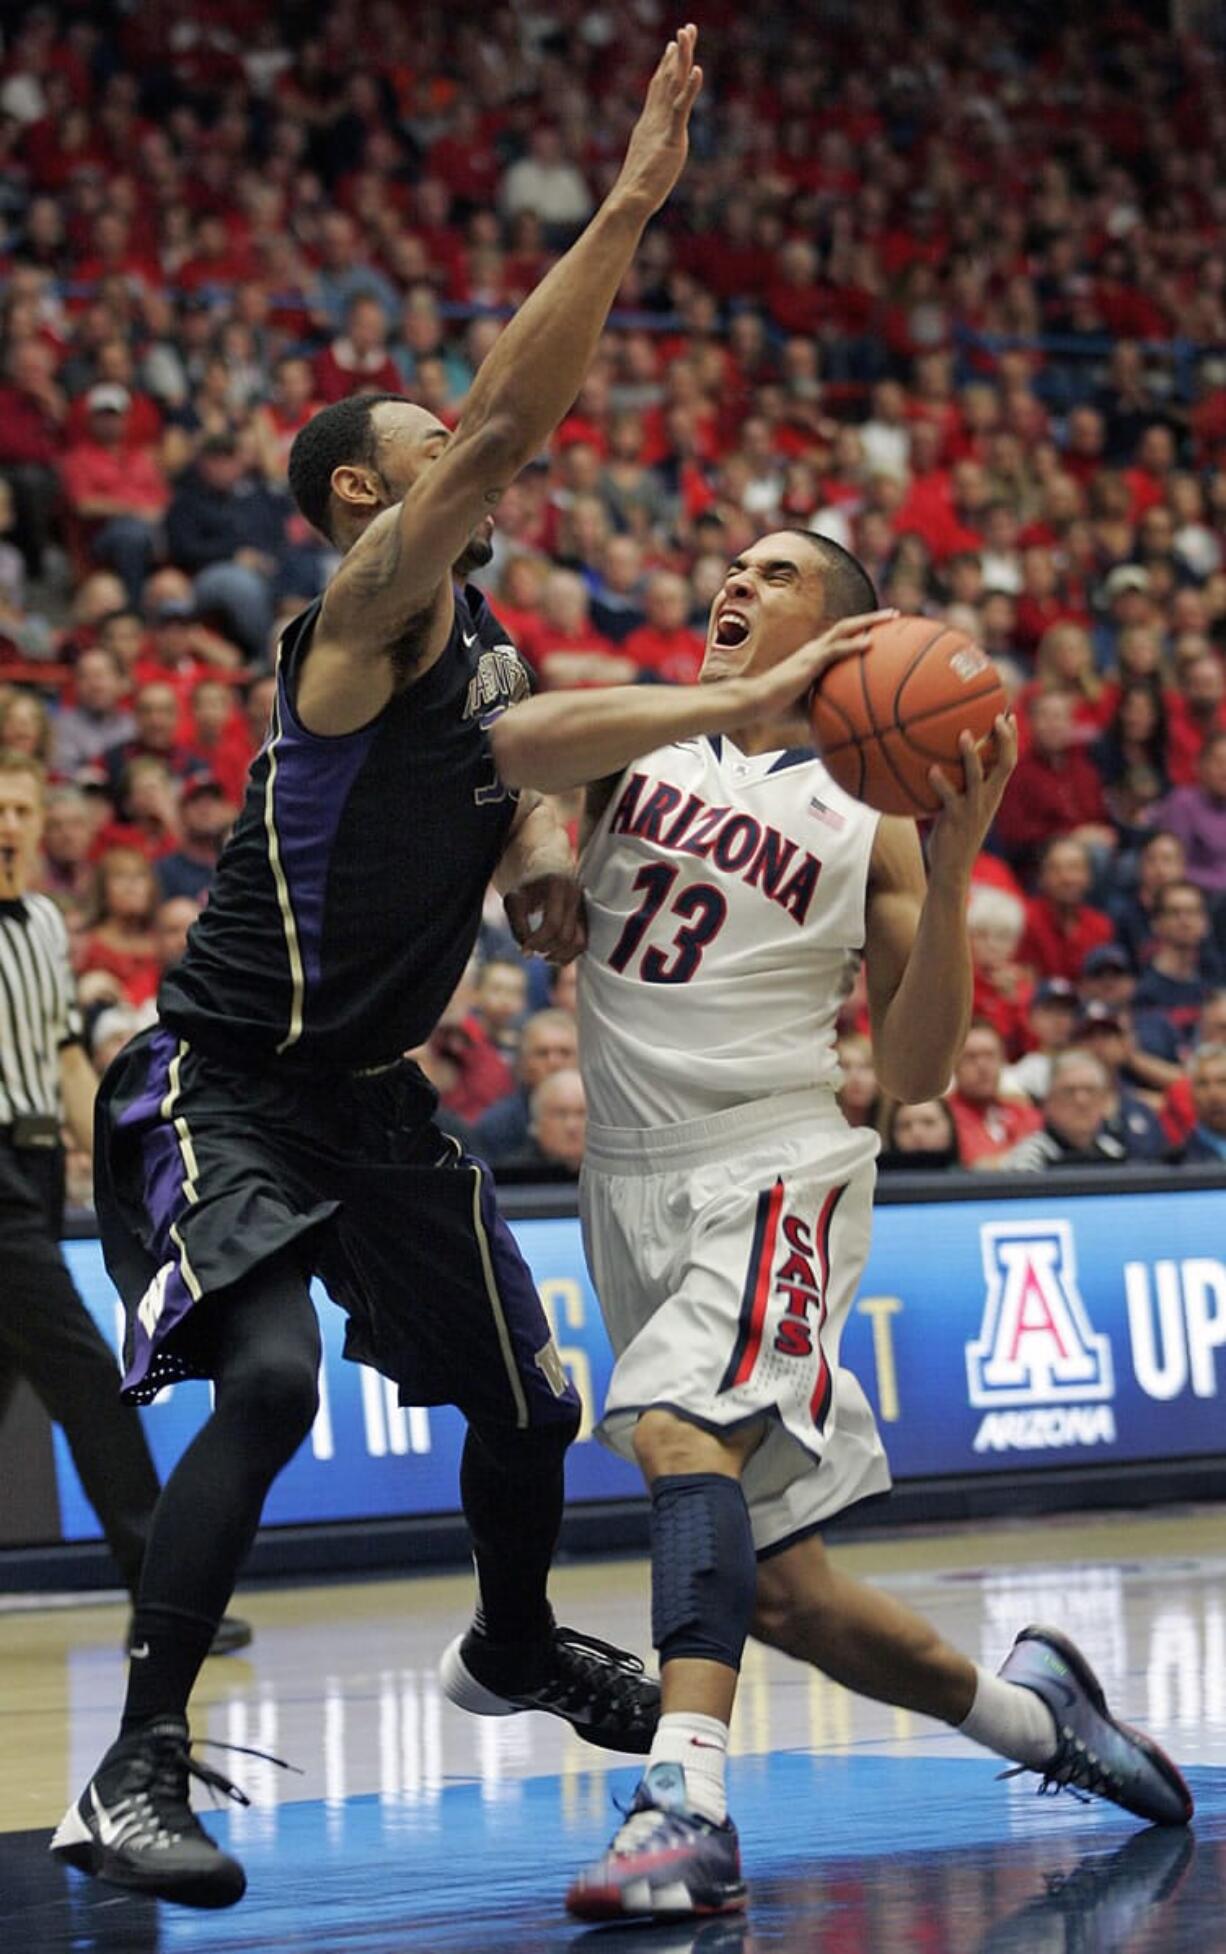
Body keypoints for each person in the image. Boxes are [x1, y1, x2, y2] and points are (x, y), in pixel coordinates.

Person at [52, 32, 704, 1910]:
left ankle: (511, 1641)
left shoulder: (484, 651)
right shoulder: (354, 616)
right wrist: (634, 201)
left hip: (372, 1100)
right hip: (223, 1071)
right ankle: (134, 1757)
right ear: (364, 500)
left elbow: (512, 795)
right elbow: (509, 424)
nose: (466, 444)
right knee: (264, 1377)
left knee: (530, 1405)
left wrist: (554, 861)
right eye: (428, 440)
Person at [490, 513, 1190, 1920]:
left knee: (679, 1431)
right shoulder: (647, 732)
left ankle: (683, 1807)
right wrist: (535, 867)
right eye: (731, 568)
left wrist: (957, 852)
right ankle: (1038, 1716)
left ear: (843, 636)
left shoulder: (865, 815)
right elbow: (512, 757)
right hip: (620, 1174)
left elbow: (919, 1071)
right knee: (784, 1596)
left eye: (775, 575)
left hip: (772, 1161)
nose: (734, 582)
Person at [0, 754, 247, 1657]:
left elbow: (66, 1059)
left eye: (24, 806)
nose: (13, 823)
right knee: (92, 1390)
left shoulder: (40, 928)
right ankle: (168, 1597)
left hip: (27, 1174)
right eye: (2, 809)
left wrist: (118, 1166)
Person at [998, 1048, 1132, 1169]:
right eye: (1069, 1091)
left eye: (1090, 1090)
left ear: (1104, 1102)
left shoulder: (1114, 1152)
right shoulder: (1029, 1158)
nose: (1081, 1101)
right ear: (1048, 1102)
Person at [947, 1021, 1042, 1168]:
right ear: (954, 1065)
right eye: (971, 1057)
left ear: (1002, 1061)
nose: (982, 1066)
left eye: (990, 1056)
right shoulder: (944, 1117)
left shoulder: (1023, 1112)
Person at [1169, 1044, 1226, 1162]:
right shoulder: (1180, 1161)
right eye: (1203, 1084)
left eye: (1223, 1082)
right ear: (1190, 1093)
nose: (1213, 1094)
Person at [877, 1097, 961, 1171]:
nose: (916, 1133)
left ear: (950, 1128)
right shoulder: (877, 1183)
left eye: (928, 1122)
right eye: (905, 1126)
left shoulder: (970, 1178)